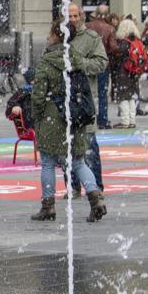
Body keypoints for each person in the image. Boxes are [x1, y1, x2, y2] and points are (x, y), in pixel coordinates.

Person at [30, 19, 108, 223]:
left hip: (52, 117)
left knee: (47, 162)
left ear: (56, 35)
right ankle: (96, 199)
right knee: (78, 161)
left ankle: (48, 206)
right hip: (75, 116)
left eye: (50, 33)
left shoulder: (47, 62)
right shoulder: (77, 58)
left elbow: (38, 95)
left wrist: (36, 115)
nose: (48, 37)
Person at [68, 3, 109, 195]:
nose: (73, 19)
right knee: (68, 146)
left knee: (90, 145)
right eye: (70, 16)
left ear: (82, 16)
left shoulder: (91, 38)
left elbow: (101, 63)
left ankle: (96, 187)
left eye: (76, 16)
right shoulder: (61, 37)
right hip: (65, 100)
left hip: (85, 100)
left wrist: (80, 64)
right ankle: (73, 186)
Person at [87, 6, 118, 129]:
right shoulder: (110, 28)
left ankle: (90, 118)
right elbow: (113, 47)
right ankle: (103, 120)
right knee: (102, 93)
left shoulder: (87, 27)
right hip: (103, 64)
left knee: (89, 91)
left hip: (89, 63)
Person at [111, 18, 143, 129]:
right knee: (131, 97)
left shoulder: (124, 43)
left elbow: (118, 58)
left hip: (124, 72)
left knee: (123, 97)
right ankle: (132, 120)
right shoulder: (137, 41)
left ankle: (125, 121)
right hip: (134, 72)